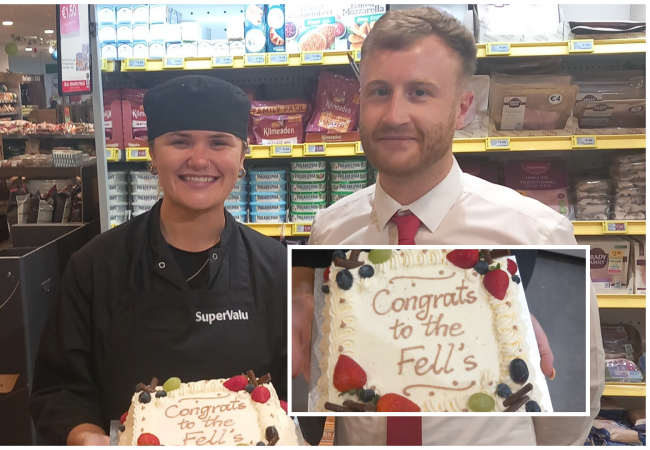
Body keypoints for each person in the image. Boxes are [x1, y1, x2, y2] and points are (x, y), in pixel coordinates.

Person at [291, 7, 605, 446]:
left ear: (462, 109)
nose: (394, 114)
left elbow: (574, 401)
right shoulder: (330, 230)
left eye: (420, 92)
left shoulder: (536, 230)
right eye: (379, 92)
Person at [30, 75, 288, 445]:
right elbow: (58, 391)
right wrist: (87, 436)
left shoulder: (275, 268)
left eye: (219, 143)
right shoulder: (94, 267)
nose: (199, 159)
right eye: (180, 141)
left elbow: (295, 394)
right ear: (152, 152)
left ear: (242, 155)